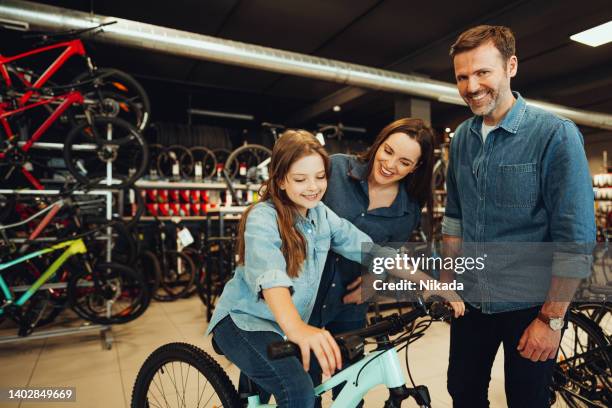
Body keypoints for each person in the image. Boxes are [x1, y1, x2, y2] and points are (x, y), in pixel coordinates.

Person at [441, 25, 595, 408]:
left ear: (511, 66)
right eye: (462, 77)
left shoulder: (555, 134)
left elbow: (574, 236)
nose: (471, 86)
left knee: (527, 400)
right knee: (463, 392)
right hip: (471, 301)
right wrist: (447, 280)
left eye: (482, 72)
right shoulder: (461, 138)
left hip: (531, 307)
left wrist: (552, 320)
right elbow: (455, 217)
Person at [308, 118, 438, 397]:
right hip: (303, 298)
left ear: (416, 167)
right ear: (379, 143)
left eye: (404, 162)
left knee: (349, 392)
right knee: (302, 389)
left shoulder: (409, 209)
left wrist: (375, 280)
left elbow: (388, 254)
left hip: (348, 304)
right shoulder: (335, 168)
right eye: (388, 151)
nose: (390, 165)